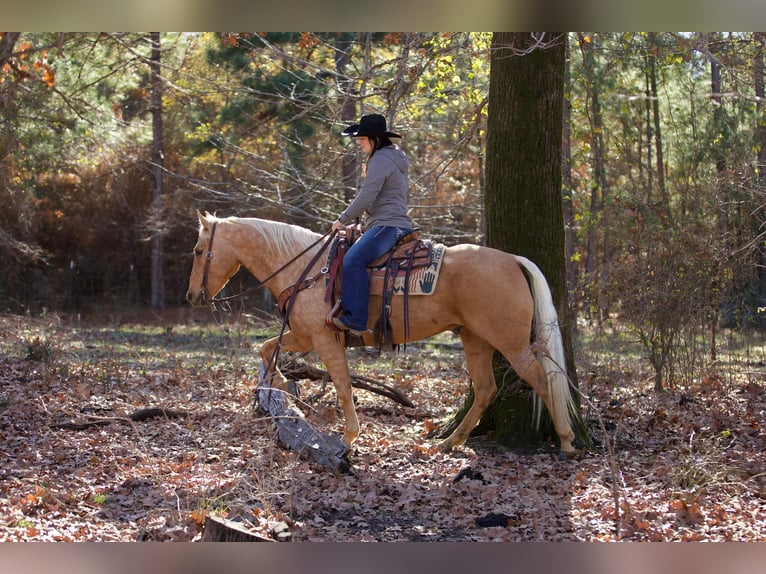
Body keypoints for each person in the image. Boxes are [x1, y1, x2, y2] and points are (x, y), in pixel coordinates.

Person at [330, 113, 414, 336]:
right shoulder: (393, 156)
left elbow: (367, 195)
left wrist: (342, 219)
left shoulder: (381, 159)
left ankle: (356, 320)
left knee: (353, 259)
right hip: (391, 222)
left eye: (363, 138)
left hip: (388, 225)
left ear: (376, 139)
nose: (359, 142)